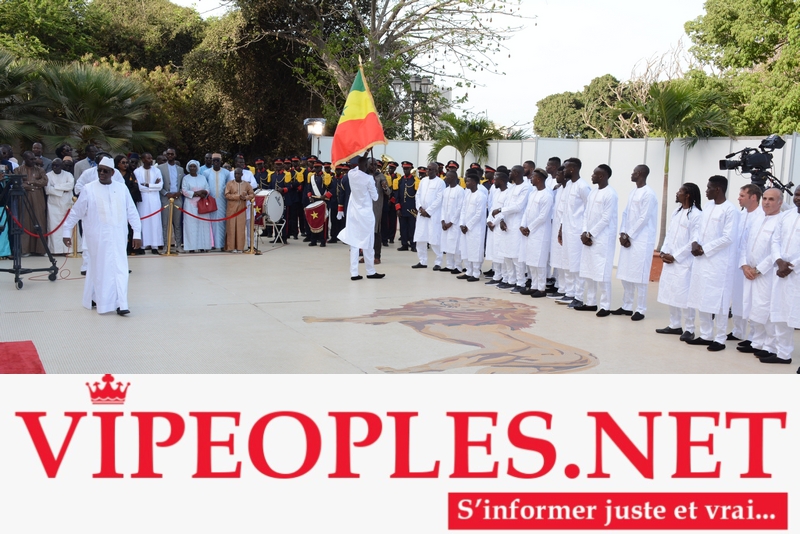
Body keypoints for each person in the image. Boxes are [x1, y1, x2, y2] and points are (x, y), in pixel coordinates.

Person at [62, 157, 141, 315]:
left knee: (120, 269)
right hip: (97, 237)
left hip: (118, 236)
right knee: (100, 269)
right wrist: (66, 231)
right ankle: (96, 298)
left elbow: (131, 211)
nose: (102, 173)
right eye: (99, 170)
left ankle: (120, 303)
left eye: (105, 171)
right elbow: (76, 212)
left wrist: (137, 233)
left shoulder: (122, 188)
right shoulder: (89, 188)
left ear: (113, 173)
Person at [685, 175, 740, 351]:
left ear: (718, 189)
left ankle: (720, 338)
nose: (706, 191)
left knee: (719, 301)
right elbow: (698, 229)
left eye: (709, 188)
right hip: (702, 261)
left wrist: (705, 248)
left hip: (719, 263)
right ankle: (706, 335)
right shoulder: (708, 207)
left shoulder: (730, 210)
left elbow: (728, 237)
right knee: (702, 297)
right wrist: (695, 242)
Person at [734, 187, 783, 361]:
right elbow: (745, 243)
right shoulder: (757, 219)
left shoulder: (781, 221)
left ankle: (771, 346)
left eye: (771, 199)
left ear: (780, 202)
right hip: (749, 271)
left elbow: (776, 250)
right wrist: (744, 264)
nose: (767, 202)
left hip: (766, 273)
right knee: (753, 307)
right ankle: (757, 342)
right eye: (765, 199)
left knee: (766, 309)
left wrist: (759, 269)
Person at [655, 183, 703, 340]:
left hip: (684, 262)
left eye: (680, 191)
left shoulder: (696, 215)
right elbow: (669, 234)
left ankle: (689, 328)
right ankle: (675, 324)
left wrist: (675, 256)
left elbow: (694, 240)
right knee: (671, 292)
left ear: (688, 195)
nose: (677, 193)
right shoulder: (676, 212)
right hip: (670, 260)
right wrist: (663, 252)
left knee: (685, 296)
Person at [614, 164, 658, 320]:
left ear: (639, 174)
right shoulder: (633, 192)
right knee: (626, 274)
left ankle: (640, 309)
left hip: (641, 240)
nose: (631, 174)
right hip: (628, 238)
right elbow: (626, 213)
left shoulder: (649, 194)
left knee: (640, 276)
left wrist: (629, 235)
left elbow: (644, 218)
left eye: (633, 172)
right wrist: (622, 233)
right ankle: (626, 306)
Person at [576, 164, 618, 314]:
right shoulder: (593, 193)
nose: (592, 176)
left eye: (595, 174)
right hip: (588, 237)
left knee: (602, 273)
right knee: (589, 271)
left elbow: (606, 218)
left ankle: (605, 306)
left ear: (602, 176)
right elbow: (586, 214)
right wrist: (584, 232)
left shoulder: (610, 194)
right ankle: (591, 302)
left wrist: (590, 234)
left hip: (602, 239)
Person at [768, 185, 800, 368]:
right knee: (780, 313)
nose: (798, 198)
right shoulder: (786, 216)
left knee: (796, 315)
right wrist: (779, 261)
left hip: (797, 274)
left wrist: (792, 266)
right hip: (781, 272)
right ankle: (783, 354)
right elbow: (775, 240)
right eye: (796, 194)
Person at [337, 156, 385, 280]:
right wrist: (373, 184)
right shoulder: (369, 179)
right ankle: (370, 271)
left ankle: (354, 273)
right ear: (366, 165)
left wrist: (366, 154)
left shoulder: (351, 174)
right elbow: (375, 197)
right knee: (368, 243)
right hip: (366, 216)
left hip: (353, 214)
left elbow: (358, 167)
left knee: (354, 244)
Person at [729, 184, 764, 343]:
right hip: (737, 264)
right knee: (737, 299)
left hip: (752, 266)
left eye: (742, 195)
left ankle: (754, 337)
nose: (739, 198)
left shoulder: (761, 216)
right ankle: (738, 331)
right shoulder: (740, 215)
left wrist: (750, 266)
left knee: (753, 302)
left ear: (753, 197)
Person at [558, 158, 591, 306]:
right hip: (566, 230)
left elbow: (589, 210)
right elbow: (565, 210)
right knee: (567, 262)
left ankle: (579, 296)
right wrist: (561, 228)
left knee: (576, 264)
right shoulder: (568, 186)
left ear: (573, 169)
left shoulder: (583, 186)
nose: (563, 171)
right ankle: (569, 292)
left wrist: (585, 231)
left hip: (577, 231)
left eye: (565, 168)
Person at [495, 165, 532, 292]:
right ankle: (510, 280)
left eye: (511, 172)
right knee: (507, 254)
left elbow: (518, 206)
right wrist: (501, 219)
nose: (509, 174)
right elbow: (506, 204)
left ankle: (520, 282)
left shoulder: (526, 187)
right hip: (506, 224)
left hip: (517, 224)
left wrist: (500, 210)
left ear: (516, 173)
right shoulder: (511, 188)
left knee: (516, 256)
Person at [519, 168, 553, 297]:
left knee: (539, 261)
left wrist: (529, 227)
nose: (531, 179)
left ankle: (541, 288)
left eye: (533, 177)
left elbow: (543, 216)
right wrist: (522, 225)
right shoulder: (533, 193)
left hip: (540, 233)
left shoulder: (547, 195)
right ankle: (534, 286)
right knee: (531, 260)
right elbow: (527, 211)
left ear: (538, 179)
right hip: (529, 232)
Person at [412, 161, 446, 269]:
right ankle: (422, 261)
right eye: (427, 169)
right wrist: (420, 208)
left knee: (434, 239)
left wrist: (429, 211)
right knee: (420, 238)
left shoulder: (440, 182)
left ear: (436, 171)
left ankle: (438, 262)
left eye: (430, 169)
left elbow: (439, 199)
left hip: (433, 215)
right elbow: (418, 195)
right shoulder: (423, 181)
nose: (427, 171)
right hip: (422, 214)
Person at [16, 151, 49, 256]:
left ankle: (40, 250)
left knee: (39, 220)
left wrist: (31, 183)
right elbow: (18, 184)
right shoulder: (18, 170)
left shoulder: (40, 170)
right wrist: (33, 186)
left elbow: (44, 181)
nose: (33, 161)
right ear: (25, 159)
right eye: (31, 159)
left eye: (34, 159)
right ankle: (26, 250)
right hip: (24, 198)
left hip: (38, 198)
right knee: (25, 221)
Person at [458, 172, 488, 282]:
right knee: (466, 249)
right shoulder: (467, 194)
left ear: (474, 183)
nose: (466, 183)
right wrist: (462, 224)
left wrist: (468, 225)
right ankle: (468, 271)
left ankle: (476, 273)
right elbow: (463, 210)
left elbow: (479, 214)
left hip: (475, 228)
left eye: (468, 181)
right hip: (465, 228)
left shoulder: (481, 196)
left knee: (475, 250)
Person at [133, 153, 164, 254]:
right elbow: (139, 187)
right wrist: (153, 185)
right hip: (143, 199)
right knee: (144, 221)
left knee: (155, 221)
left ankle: (155, 245)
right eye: (148, 158)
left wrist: (147, 185)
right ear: (143, 160)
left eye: (151, 158)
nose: (151, 160)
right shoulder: (137, 171)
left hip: (155, 199)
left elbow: (160, 186)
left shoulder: (157, 171)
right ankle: (143, 245)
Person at [180, 160, 213, 252]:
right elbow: (184, 191)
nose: (192, 168)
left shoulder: (202, 177)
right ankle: (191, 247)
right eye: (191, 166)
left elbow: (207, 188)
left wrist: (204, 192)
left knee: (203, 225)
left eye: (194, 166)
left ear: (197, 168)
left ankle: (203, 246)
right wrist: (197, 193)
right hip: (190, 205)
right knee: (191, 226)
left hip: (202, 204)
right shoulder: (186, 178)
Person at [44, 158, 75, 254]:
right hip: (53, 204)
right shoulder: (48, 175)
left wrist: (56, 187)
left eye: (57, 165)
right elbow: (48, 190)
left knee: (67, 225)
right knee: (54, 226)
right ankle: (55, 250)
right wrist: (62, 190)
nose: (54, 167)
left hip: (67, 203)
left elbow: (70, 186)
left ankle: (69, 249)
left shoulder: (68, 175)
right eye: (53, 165)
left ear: (61, 166)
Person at [158, 147, 184, 252]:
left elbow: (183, 185)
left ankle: (178, 245)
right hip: (166, 198)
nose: (170, 156)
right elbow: (158, 184)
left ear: (175, 155)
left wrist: (180, 192)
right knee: (165, 224)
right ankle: (165, 246)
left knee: (177, 224)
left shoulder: (180, 169)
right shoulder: (160, 168)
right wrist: (166, 193)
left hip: (177, 198)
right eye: (168, 154)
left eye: (172, 154)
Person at [115, 155, 142, 255]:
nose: (125, 165)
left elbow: (135, 187)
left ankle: (132, 247)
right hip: (117, 203)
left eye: (127, 163)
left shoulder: (131, 174)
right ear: (117, 164)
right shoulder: (114, 174)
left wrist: (127, 196)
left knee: (131, 225)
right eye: (123, 163)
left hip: (129, 201)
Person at [485, 171, 509, 285]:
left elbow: (504, 211)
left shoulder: (508, 193)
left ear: (502, 181)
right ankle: (496, 275)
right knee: (494, 251)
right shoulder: (496, 192)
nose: (494, 182)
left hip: (500, 225)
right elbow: (492, 208)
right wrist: (488, 221)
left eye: (496, 180)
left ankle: (504, 277)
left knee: (501, 253)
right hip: (493, 227)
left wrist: (494, 222)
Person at [202, 153, 230, 249]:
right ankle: (212, 244)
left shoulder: (226, 173)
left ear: (221, 161)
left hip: (223, 201)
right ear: (212, 161)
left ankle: (222, 244)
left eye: (218, 160)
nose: (216, 162)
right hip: (210, 200)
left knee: (222, 222)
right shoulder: (206, 172)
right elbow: (205, 186)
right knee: (211, 222)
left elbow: (228, 186)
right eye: (214, 160)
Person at [439, 170, 465, 273]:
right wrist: (442, 221)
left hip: (454, 223)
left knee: (456, 245)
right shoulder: (445, 190)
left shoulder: (460, 190)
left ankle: (458, 266)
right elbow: (442, 207)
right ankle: (449, 265)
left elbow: (459, 208)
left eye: (448, 176)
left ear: (454, 178)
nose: (446, 178)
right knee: (447, 244)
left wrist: (451, 222)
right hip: (445, 222)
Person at [224, 168, 254, 252]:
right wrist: (237, 197)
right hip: (231, 209)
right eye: (235, 174)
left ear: (242, 174)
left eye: (238, 174)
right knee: (231, 228)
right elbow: (227, 195)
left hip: (241, 210)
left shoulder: (246, 184)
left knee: (240, 229)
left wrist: (246, 198)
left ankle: (240, 247)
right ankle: (231, 247)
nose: (236, 175)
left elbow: (252, 194)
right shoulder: (230, 184)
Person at [304, 161, 332, 247]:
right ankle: (313, 240)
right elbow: (308, 188)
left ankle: (323, 240)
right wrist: (310, 197)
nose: (316, 169)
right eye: (315, 167)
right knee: (313, 220)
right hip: (314, 200)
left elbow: (331, 188)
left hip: (323, 201)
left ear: (321, 168)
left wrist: (325, 196)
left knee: (323, 221)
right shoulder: (311, 177)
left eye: (318, 167)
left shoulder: (326, 176)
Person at [394, 161, 418, 251]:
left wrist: (417, 208)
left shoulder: (415, 181)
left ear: (411, 169)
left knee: (412, 228)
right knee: (403, 228)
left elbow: (417, 195)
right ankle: (404, 244)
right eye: (404, 169)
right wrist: (398, 208)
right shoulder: (400, 180)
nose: (405, 170)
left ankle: (413, 244)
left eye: (407, 169)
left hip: (412, 208)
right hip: (402, 208)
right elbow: (397, 196)